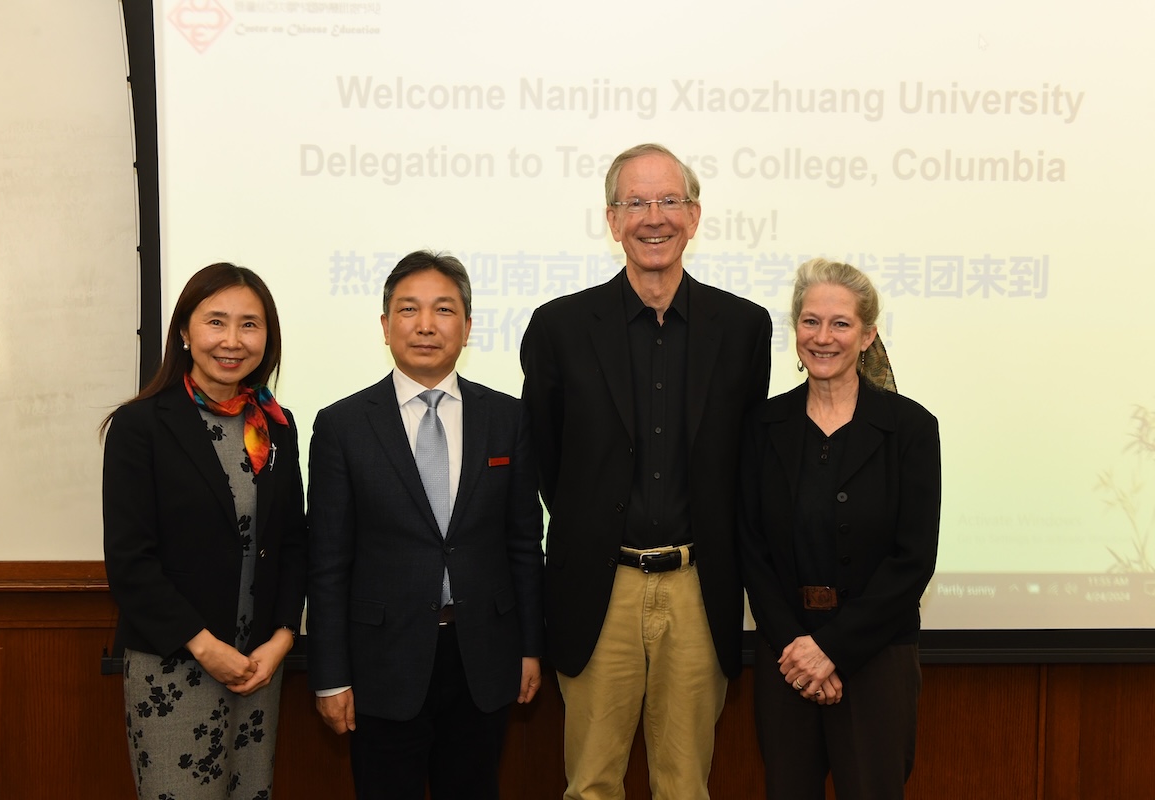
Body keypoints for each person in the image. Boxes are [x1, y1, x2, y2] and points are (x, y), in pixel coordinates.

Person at [520, 143, 773, 800]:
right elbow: (547, 458)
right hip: (601, 588)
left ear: (693, 216)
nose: (652, 217)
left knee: (686, 787)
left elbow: (745, 459)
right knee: (593, 785)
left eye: (668, 201)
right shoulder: (559, 328)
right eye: (635, 202)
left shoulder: (744, 328)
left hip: (697, 585)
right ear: (611, 219)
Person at [306, 250, 544, 800]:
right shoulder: (343, 425)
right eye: (408, 309)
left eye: (443, 309)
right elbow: (328, 562)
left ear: (467, 326)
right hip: (381, 664)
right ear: (385, 325)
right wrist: (331, 675)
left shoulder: (506, 419)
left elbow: (524, 544)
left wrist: (531, 647)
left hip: (481, 657)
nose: (425, 325)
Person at [738, 258, 941, 800]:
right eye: (810, 322)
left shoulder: (910, 429)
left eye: (840, 323)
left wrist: (832, 650)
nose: (822, 337)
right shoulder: (763, 425)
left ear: (868, 334)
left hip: (877, 658)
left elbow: (913, 558)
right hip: (786, 657)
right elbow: (751, 548)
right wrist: (798, 648)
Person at [102, 263, 307, 799]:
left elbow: (292, 545)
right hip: (174, 662)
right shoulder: (140, 426)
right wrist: (205, 646)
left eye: (250, 325)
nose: (233, 341)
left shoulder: (275, 428)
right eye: (216, 322)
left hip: (257, 668)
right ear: (184, 333)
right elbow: (130, 562)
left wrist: (282, 641)